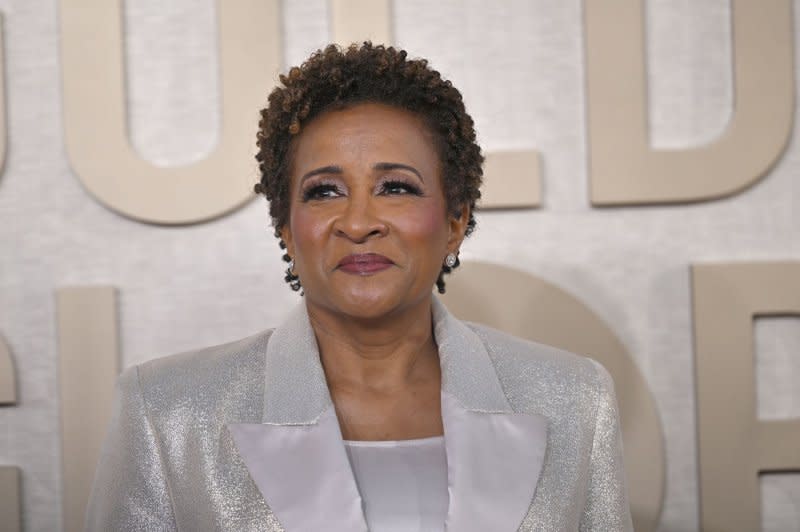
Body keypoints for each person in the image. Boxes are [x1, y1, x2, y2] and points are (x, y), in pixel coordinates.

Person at [86, 43, 632, 531]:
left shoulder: (576, 399)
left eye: (395, 187)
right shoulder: (167, 412)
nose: (358, 221)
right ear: (286, 228)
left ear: (455, 221)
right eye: (324, 192)